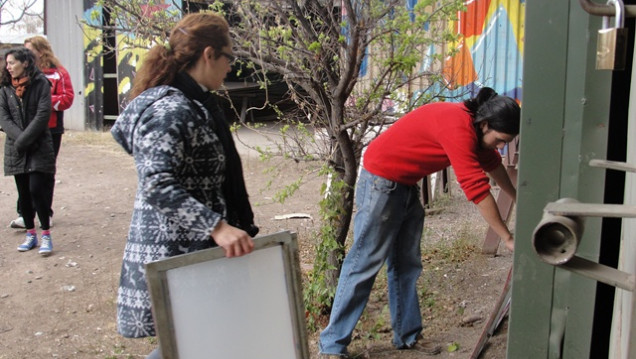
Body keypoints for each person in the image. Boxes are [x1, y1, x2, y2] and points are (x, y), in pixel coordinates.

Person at [318, 87, 520, 358]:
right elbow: (477, 189)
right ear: (485, 125)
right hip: (381, 182)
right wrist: (507, 237)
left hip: (404, 183)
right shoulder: (458, 128)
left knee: (406, 264)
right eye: (500, 139)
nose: (502, 146)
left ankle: (407, 336)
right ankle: (331, 347)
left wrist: (517, 197)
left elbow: (493, 165)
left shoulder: (476, 131)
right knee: (363, 263)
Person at [110, 12, 259, 359]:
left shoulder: (196, 103)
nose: (230, 67)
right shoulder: (170, 110)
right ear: (209, 54)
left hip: (195, 253)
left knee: (199, 342)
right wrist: (217, 227)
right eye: (229, 57)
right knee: (191, 344)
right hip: (176, 254)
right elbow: (157, 185)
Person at [9, 36, 74, 229]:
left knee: (45, 172)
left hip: (51, 129)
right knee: (23, 171)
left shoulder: (58, 73)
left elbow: (67, 99)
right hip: (25, 130)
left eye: (29, 50)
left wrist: (44, 101)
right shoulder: (19, 74)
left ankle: (46, 212)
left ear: (40, 50)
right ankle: (25, 213)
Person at [0, 48, 55, 256]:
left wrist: (25, 139)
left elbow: (43, 115)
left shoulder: (41, 83)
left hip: (39, 146)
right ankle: (31, 234)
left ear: (25, 63)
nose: (9, 67)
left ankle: (46, 235)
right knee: (23, 193)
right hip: (17, 148)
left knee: (36, 190)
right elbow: (3, 118)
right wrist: (21, 140)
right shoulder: (5, 87)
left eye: (12, 62)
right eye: (7, 63)